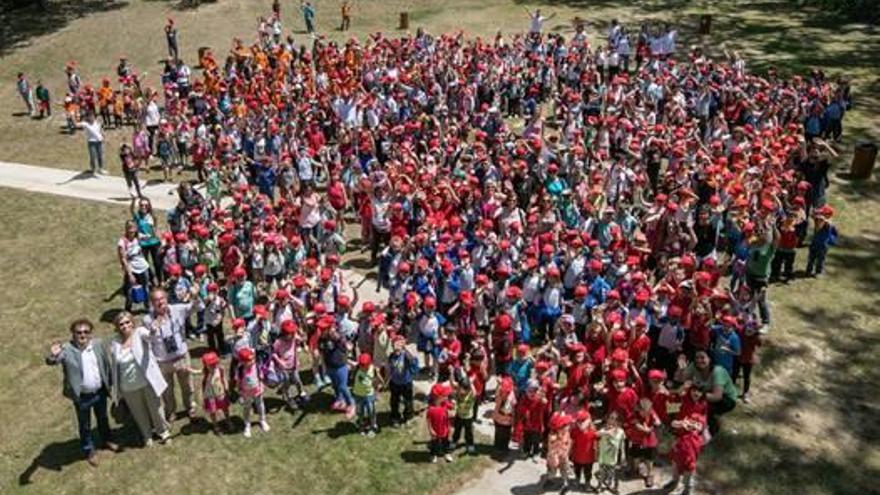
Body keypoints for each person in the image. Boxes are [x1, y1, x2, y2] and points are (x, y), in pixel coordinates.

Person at [45, 319, 119, 466]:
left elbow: (105, 364)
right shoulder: (66, 349)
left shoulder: (97, 344)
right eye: (79, 332)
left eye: (86, 332)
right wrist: (53, 355)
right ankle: (89, 450)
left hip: (100, 392)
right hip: (82, 396)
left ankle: (106, 440)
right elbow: (52, 361)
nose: (82, 335)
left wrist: (110, 383)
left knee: (103, 418)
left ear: (90, 333)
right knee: (85, 424)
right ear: (73, 334)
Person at [109, 312, 171, 447]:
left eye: (127, 322)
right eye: (121, 324)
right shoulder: (115, 342)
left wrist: (154, 329)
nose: (125, 326)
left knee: (155, 409)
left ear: (132, 322)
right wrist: (116, 389)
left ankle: (163, 432)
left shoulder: (139, 332)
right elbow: (115, 365)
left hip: (146, 381)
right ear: (117, 327)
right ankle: (147, 436)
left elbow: (149, 337)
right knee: (138, 413)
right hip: (128, 386)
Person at [143, 289, 197, 422]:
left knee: (187, 386)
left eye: (162, 298)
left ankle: (190, 407)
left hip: (181, 357)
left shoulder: (177, 309)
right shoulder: (147, 319)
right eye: (156, 300)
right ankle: (171, 411)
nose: (160, 302)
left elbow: (197, 307)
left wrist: (196, 295)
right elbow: (145, 340)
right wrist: (152, 331)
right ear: (152, 304)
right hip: (163, 361)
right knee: (167, 390)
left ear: (166, 299)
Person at [675, 351, 737, 436]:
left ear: (710, 359)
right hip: (707, 392)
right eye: (697, 357)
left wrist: (699, 395)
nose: (699, 360)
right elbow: (682, 379)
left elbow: (717, 396)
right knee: (688, 400)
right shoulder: (694, 365)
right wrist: (681, 367)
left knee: (704, 408)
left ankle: (710, 432)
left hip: (726, 398)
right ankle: (687, 425)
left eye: (702, 357)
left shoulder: (718, 371)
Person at [235, 347, 270, 437]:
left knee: (260, 405)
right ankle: (247, 424)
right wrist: (240, 392)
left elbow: (260, 377)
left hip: (257, 391)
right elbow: (238, 382)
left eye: (252, 359)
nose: (251, 362)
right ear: (242, 361)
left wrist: (262, 385)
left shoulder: (257, 366)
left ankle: (262, 420)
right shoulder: (240, 370)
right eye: (248, 361)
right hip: (246, 393)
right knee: (247, 408)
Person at [118, 220, 152, 312]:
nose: (131, 230)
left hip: (143, 266)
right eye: (129, 228)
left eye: (133, 228)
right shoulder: (122, 242)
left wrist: (149, 235)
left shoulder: (138, 237)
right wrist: (130, 274)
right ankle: (128, 310)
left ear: (136, 228)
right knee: (129, 290)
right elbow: (123, 259)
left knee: (146, 288)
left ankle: (147, 307)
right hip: (131, 268)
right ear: (126, 229)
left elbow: (148, 236)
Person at [387, 335, 418, 426]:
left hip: (406, 382)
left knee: (408, 401)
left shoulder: (406, 355)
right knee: (394, 401)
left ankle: (408, 416)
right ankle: (395, 417)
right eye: (394, 345)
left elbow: (413, 361)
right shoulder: (391, 356)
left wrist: (404, 348)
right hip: (395, 383)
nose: (397, 349)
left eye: (399, 346)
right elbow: (390, 368)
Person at [352, 353, 381, 436]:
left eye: (364, 366)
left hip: (369, 395)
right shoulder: (358, 367)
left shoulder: (373, 370)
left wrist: (377, 393)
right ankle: (361, 425)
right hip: (358, 394)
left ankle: (373, 426)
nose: (362, 368)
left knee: (371, 411)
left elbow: (376, 383)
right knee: (360, 411)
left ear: (369, 364)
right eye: (361, 366)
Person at [426, 383, 454, 463]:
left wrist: (453, 406)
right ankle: (433, 454)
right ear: (437, 398)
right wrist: (430, 429)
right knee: (434, 443)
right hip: (435, 430)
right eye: (444, 395)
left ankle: (447, 453)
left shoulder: (445, 403)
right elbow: (428, 420)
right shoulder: (431, 409)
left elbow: (451, 407)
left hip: (445, 428)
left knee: (446, 442)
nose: (446, 397)